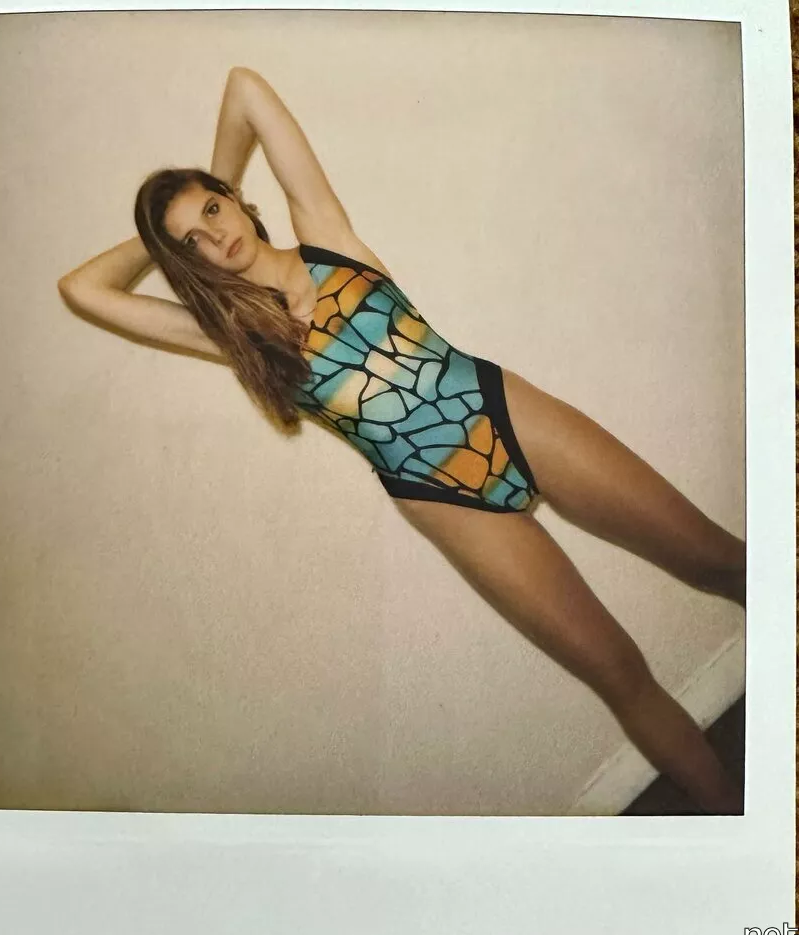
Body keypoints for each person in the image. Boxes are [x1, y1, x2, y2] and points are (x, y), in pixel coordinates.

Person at [58, 67, 746, 815]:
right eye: (193, 240)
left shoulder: (326, 235)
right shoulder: (231, 334)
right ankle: (738, 847)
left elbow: (245, 89)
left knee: (716, 559)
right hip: (438, 497)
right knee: (620, 675)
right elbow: (82, 290)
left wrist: (212, 183)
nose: (215, 235)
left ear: (238, 201)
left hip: (503, 413)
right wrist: (165, 245)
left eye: (214, 210)